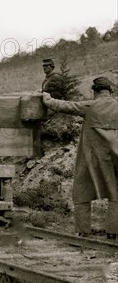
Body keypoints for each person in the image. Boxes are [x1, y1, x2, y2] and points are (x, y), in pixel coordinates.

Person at [42, 77, 118, 240]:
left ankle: (83, 231)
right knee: (115, 193)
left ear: (95, 91)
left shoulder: (90, 106)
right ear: (110, 91)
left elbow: (63, 105)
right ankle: (113, 232)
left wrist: (47, 98)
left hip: (90, 159)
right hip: (113, 157)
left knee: (82, 191)